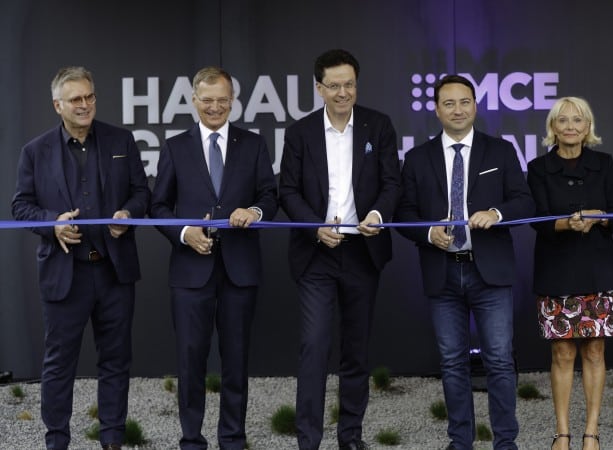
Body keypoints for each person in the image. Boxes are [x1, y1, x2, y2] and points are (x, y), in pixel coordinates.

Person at [11, 66, 150, 450]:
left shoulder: (121, 140)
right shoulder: (34, 152)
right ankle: (56, 441)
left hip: (114, 271)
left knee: (116, 362)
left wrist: (128, 214)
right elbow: (21, 207)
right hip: (64, 273)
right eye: (76, 99)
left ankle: (112, 440)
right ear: (58, 105)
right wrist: (52, 223)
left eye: (89, 96)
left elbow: (142, 193)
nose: (85, 104)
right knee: (58, 365)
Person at [395, 74, 533, 450]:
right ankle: (461, 442)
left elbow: (525, 201)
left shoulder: (500, 151)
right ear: (436, 109)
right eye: (449, 103)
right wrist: (427, 233)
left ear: (476, 105)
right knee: (453, 362)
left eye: (465, 102)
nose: (458, 109)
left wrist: (497, 213)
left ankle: (506, 442)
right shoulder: (418, 158)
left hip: (490, 271)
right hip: (442, 273)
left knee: (501, 362)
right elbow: (404, 213)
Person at [150, 66, 278, 450]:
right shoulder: (175, 146)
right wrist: (186, 233)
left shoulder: (253, 144)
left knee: (236, 361)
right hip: (190, 273)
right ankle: (191, 439)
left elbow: (270, 195)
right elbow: (158, 207)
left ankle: (233, 439)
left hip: (240, 271)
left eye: (223, 99)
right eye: (207, 100)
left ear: (233, 101)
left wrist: (253, 213)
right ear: (194, 101)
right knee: (191, 362)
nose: (215, 107)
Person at [279, 49, 401, 450]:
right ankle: (308, 440)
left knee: (356, 350)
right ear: (319, 88)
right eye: (334, 85)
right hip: (317, 253)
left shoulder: (378, 126)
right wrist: (315, 228)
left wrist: (379, 215)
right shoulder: (299, 133)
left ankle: (351, 437)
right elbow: (288, 191)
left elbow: (391, 183)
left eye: (349, 84)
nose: (343, 92)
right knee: (314, 347)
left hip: (363, 251)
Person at [526, 97, 613, 450]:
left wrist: (600, 218)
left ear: (588, 127)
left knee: (595, 352)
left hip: (598, 268)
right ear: (552, 127)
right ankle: (563, 433)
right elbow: (536, 221)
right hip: (557, 270)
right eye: (562, 120)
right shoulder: (537, 168)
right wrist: (567, 223)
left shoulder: (604, 163)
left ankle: (591, 432)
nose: (570, 126)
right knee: (562, 354)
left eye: (577, 120)